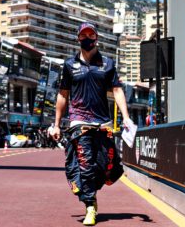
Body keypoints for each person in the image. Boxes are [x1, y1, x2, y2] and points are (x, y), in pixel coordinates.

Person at [51, 22, 132, 226]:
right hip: (79, 121)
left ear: (97, 38)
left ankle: (90, 193)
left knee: (104, 166)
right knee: (85, 164)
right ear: (78, 38)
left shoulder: (108, 64)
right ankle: (90, 206)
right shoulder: (69, 65)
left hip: (103, 122)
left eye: (91, 34)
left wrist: (127, 117)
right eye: (83, 35)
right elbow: (63, 95)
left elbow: (117, 91)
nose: (87, 38)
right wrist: (57, 124)